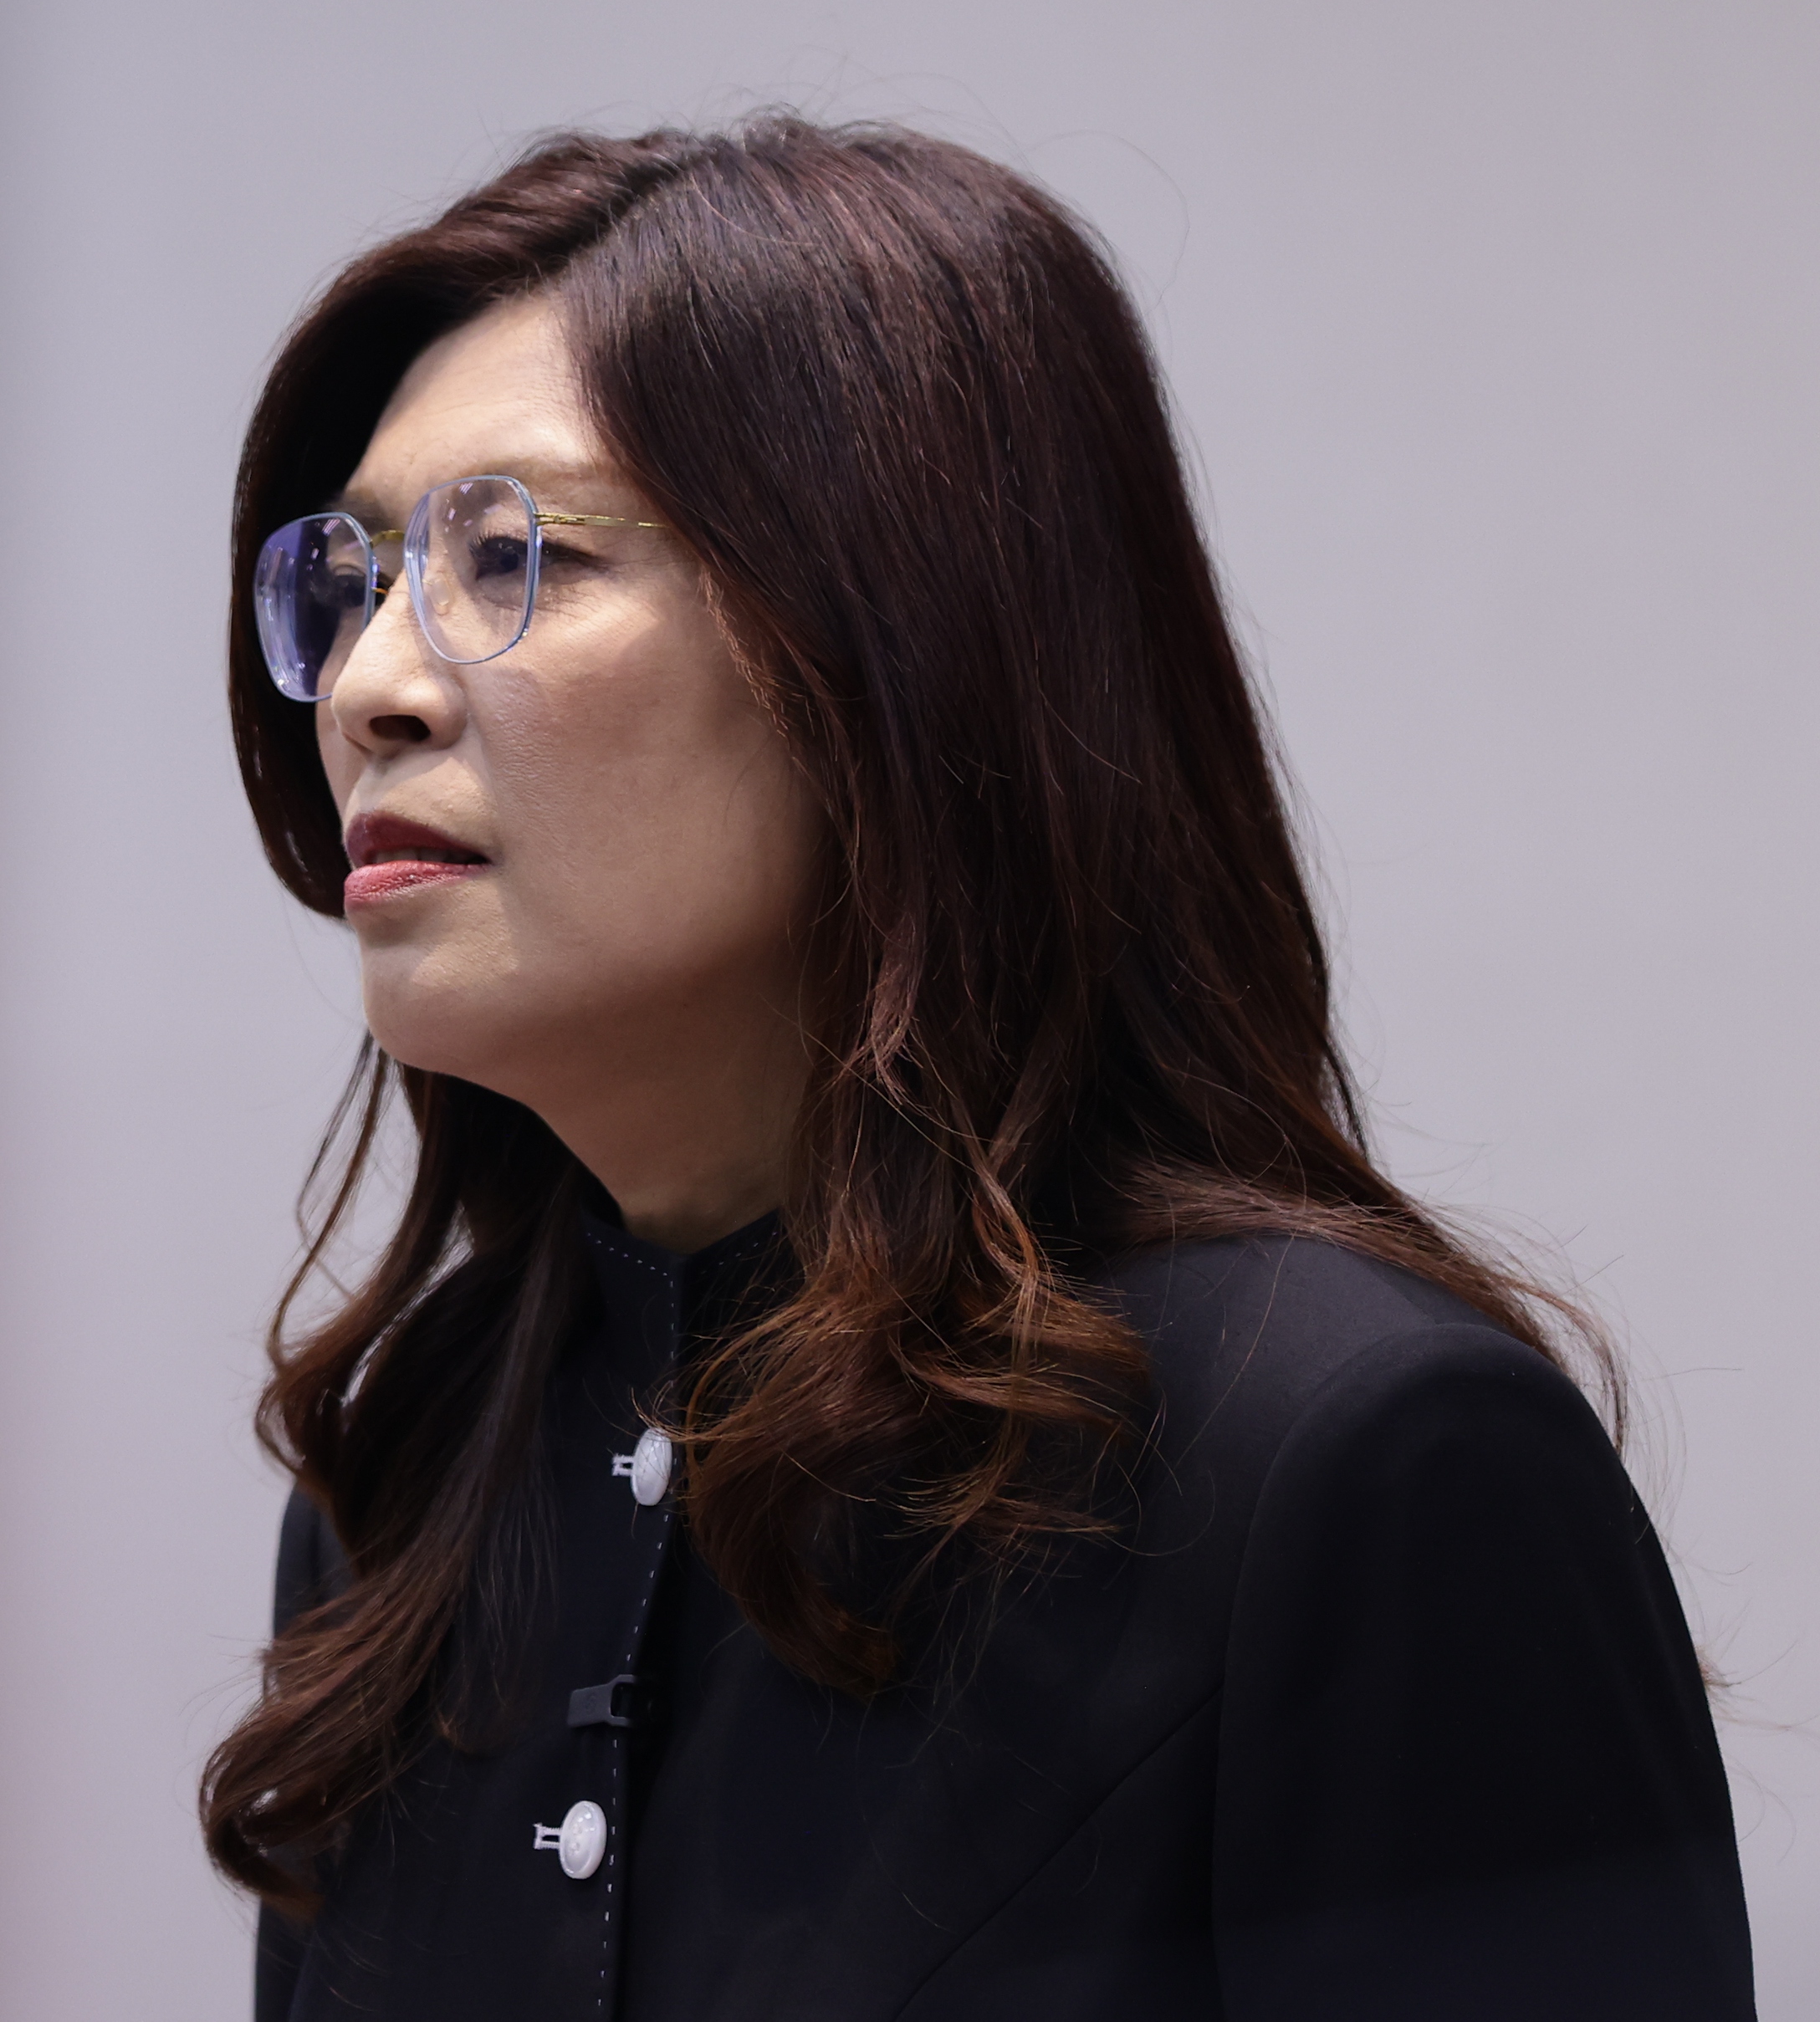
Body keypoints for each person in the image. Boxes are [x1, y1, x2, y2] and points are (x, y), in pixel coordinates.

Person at [201, 119, 1752, 2021]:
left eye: (514, 553)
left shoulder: (1349, 1462)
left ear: (897, 638)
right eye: (350, 579)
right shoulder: (414, 1472)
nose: (370, 681)